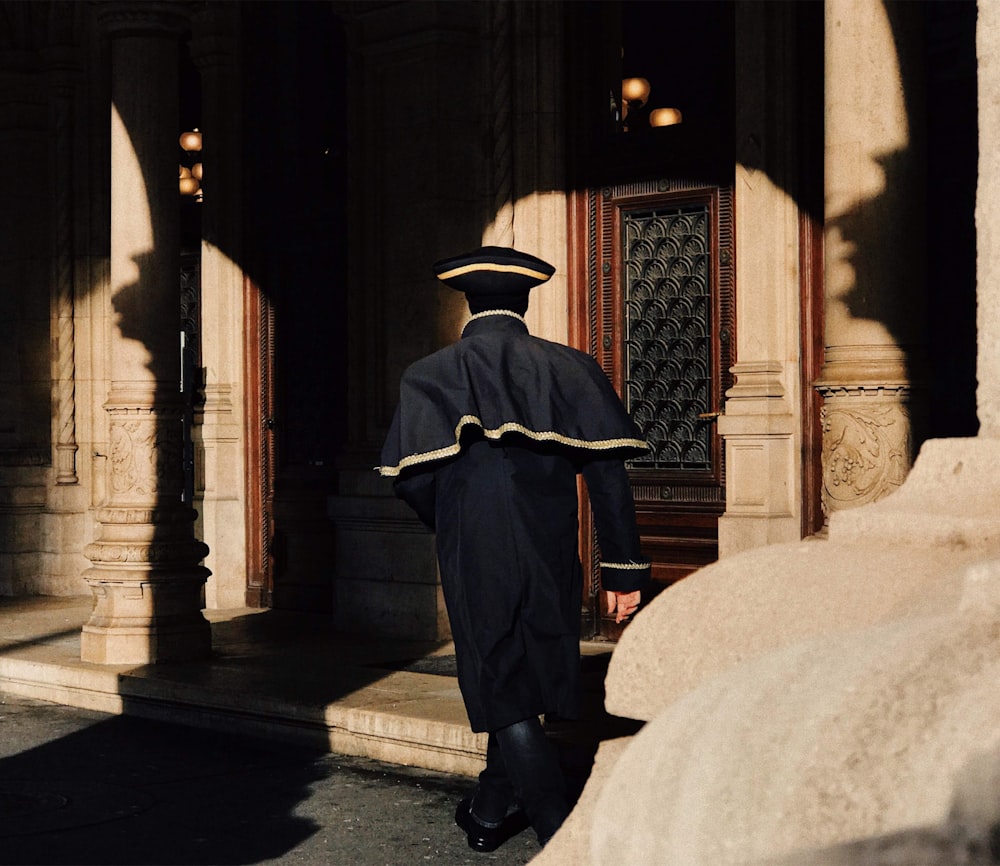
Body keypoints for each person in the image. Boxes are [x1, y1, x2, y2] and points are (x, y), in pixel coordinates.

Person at [378, 245, 650, 850]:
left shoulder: (429, 374)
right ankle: (492, 805)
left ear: (468, 301)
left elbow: (412, 480)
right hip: (552, 545)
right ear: (525, 299)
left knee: (500, 678)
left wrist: (452, 525)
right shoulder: (571, 367)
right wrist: (623, 570)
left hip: (475, 550)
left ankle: (562, 837)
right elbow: (609, 478)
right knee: (533, 668)